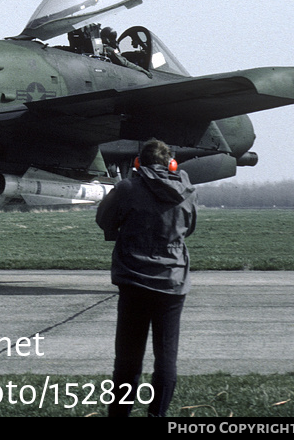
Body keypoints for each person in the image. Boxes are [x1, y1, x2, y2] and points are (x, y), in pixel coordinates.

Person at [96, 138, 197, 417]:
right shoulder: (187, 190)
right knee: (166, 358)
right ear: (171, 163)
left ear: (139, 163)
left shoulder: (127, 187)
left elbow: (104, 220)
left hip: (133, 280)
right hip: (172, 283)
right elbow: (189, 228)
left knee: (127, 360)